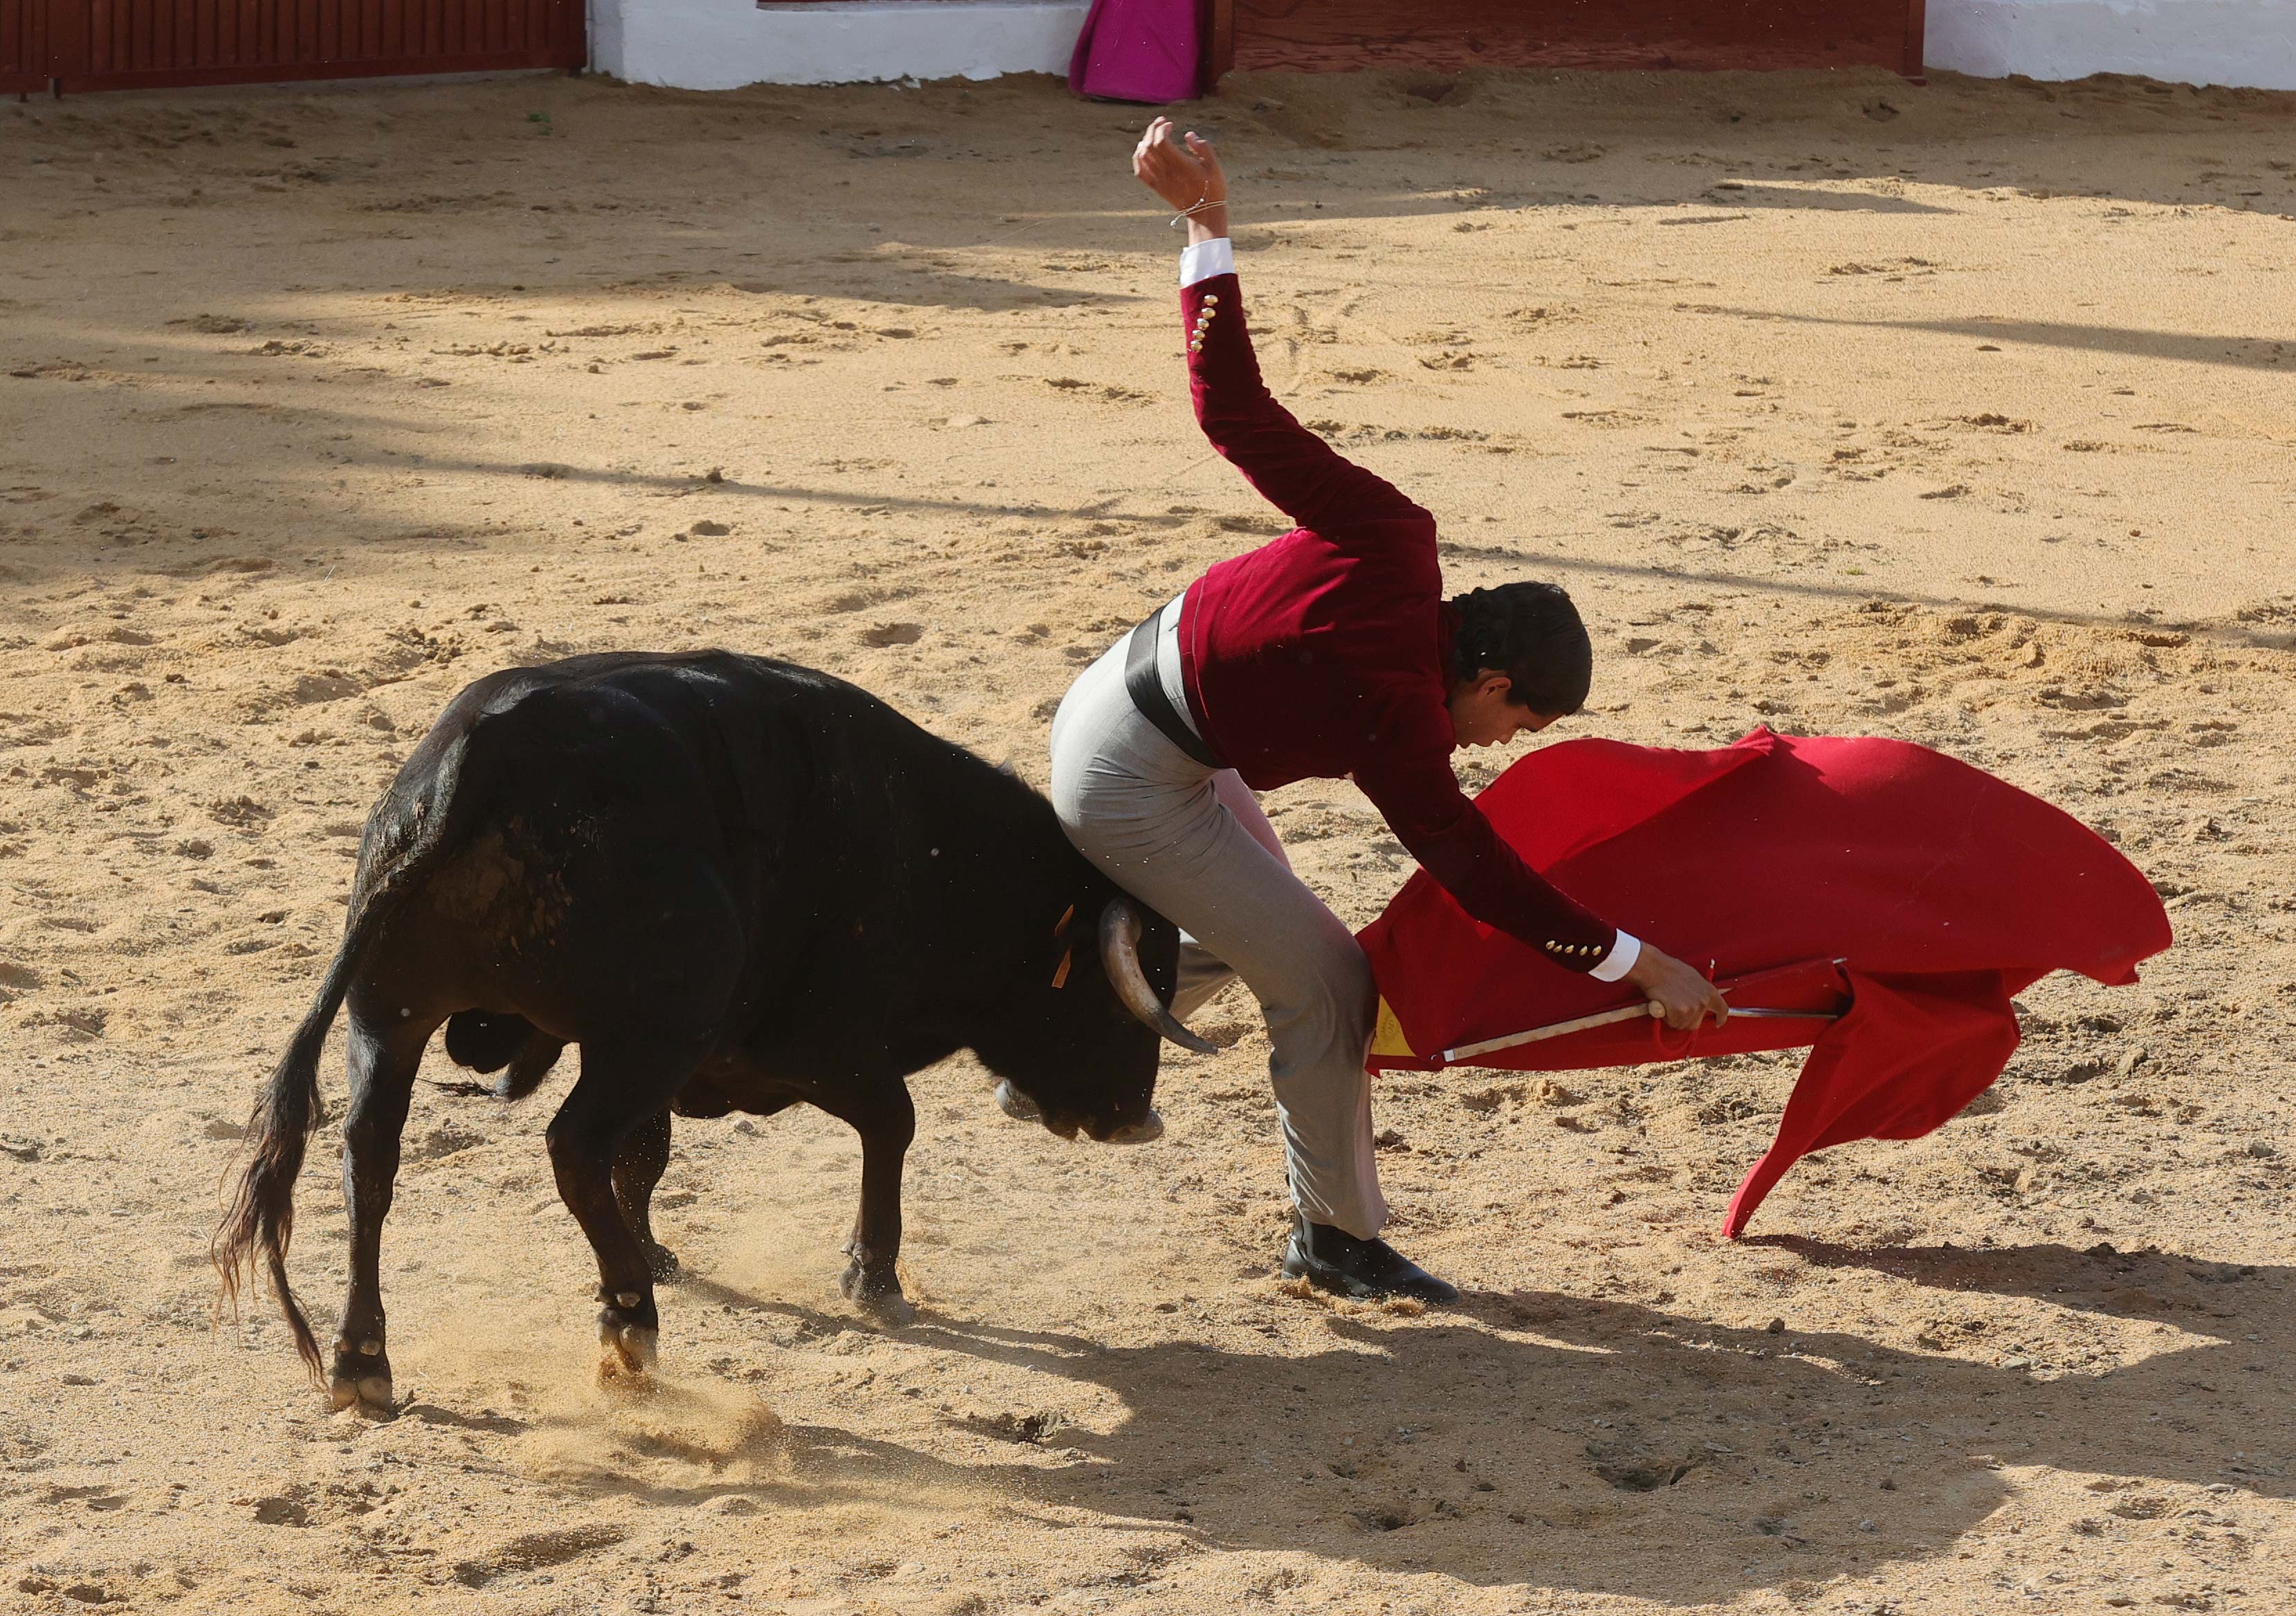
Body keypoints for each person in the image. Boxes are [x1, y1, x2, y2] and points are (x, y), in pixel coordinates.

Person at [1042, 119, 1729, 1303]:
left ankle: (1074, 1024)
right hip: (1135, 781)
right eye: (1520, 725)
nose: (1505, 745)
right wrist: (1634, 960)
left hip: (1123, 698)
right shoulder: (1402, 718)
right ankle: (1334, 1238)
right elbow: (1474, 871)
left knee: (1274, 927)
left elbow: (1235, 414)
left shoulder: (1395, 538)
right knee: (1330, 983)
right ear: (1496, 683)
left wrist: (1207, 230)